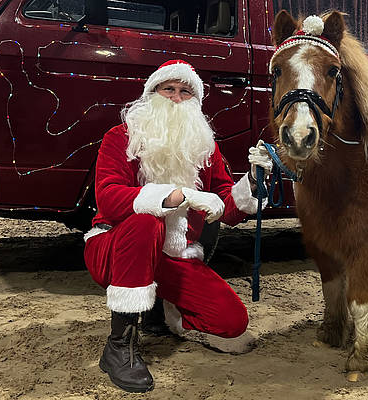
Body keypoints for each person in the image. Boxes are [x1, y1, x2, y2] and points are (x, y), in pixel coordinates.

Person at [83, 59, 272, 393]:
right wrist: (177, 196)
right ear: (152, 93)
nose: (176, 98)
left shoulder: (204, 147)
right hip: (114, 247)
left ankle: (164, 310)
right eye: (168, 89)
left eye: (186, 92)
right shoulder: (120, 137)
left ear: (196, 102)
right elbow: (109, 198)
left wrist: (253, 186)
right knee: (146, 223)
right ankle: (119, 345)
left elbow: (226, 205)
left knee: (232, 321)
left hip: (173, 256)